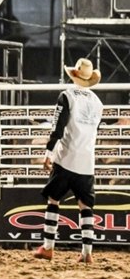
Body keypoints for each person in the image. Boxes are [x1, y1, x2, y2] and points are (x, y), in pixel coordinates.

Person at [34, 58, 103, 264]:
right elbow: (95, 131)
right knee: (85, 206)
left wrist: (48, 152)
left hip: (66, 158)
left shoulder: (67, 96)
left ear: (74, 74)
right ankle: (87, 252)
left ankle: (48, 248)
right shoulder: (98, 103)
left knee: (54, 200)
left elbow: (58, 126)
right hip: (86, 161)